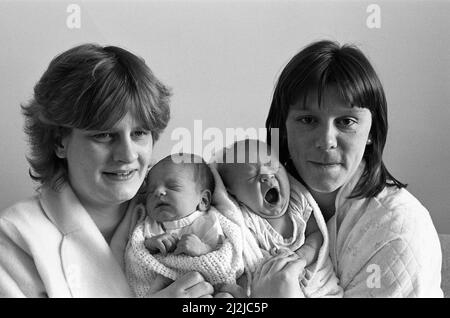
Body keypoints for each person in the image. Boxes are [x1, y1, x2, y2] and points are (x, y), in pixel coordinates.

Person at [0, 44, 216, 298]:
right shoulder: (16, 238)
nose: (127, 155)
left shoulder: (195, 207)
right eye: (104, 135)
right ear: (60, 141)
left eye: (139, 133)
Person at [259, 40, 443, 297]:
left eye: (346, 121)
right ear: (284, 128)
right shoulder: (247, 197)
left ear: (371, 131)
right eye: (308, 120)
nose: (326, 141)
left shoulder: (398, 232)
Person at [214, 139, 342, 297]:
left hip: (319, 285)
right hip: (271, 284)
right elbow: (249, 260)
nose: (267, 176)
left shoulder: (298, 202)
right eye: (251, 176)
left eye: (273, 167)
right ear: (232, 191)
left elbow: (317, 236)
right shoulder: (247, 222)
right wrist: (279, 265)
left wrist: (301, 259)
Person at [125, 153, 245, 297]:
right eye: (151, 191)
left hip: (205, 288)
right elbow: (136, 254)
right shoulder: (150, 224)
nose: (158, 192)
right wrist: (151, 244)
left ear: (203, 201)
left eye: (173, 186)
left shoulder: (207, 221)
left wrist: (202, 249)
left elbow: (224, 257)